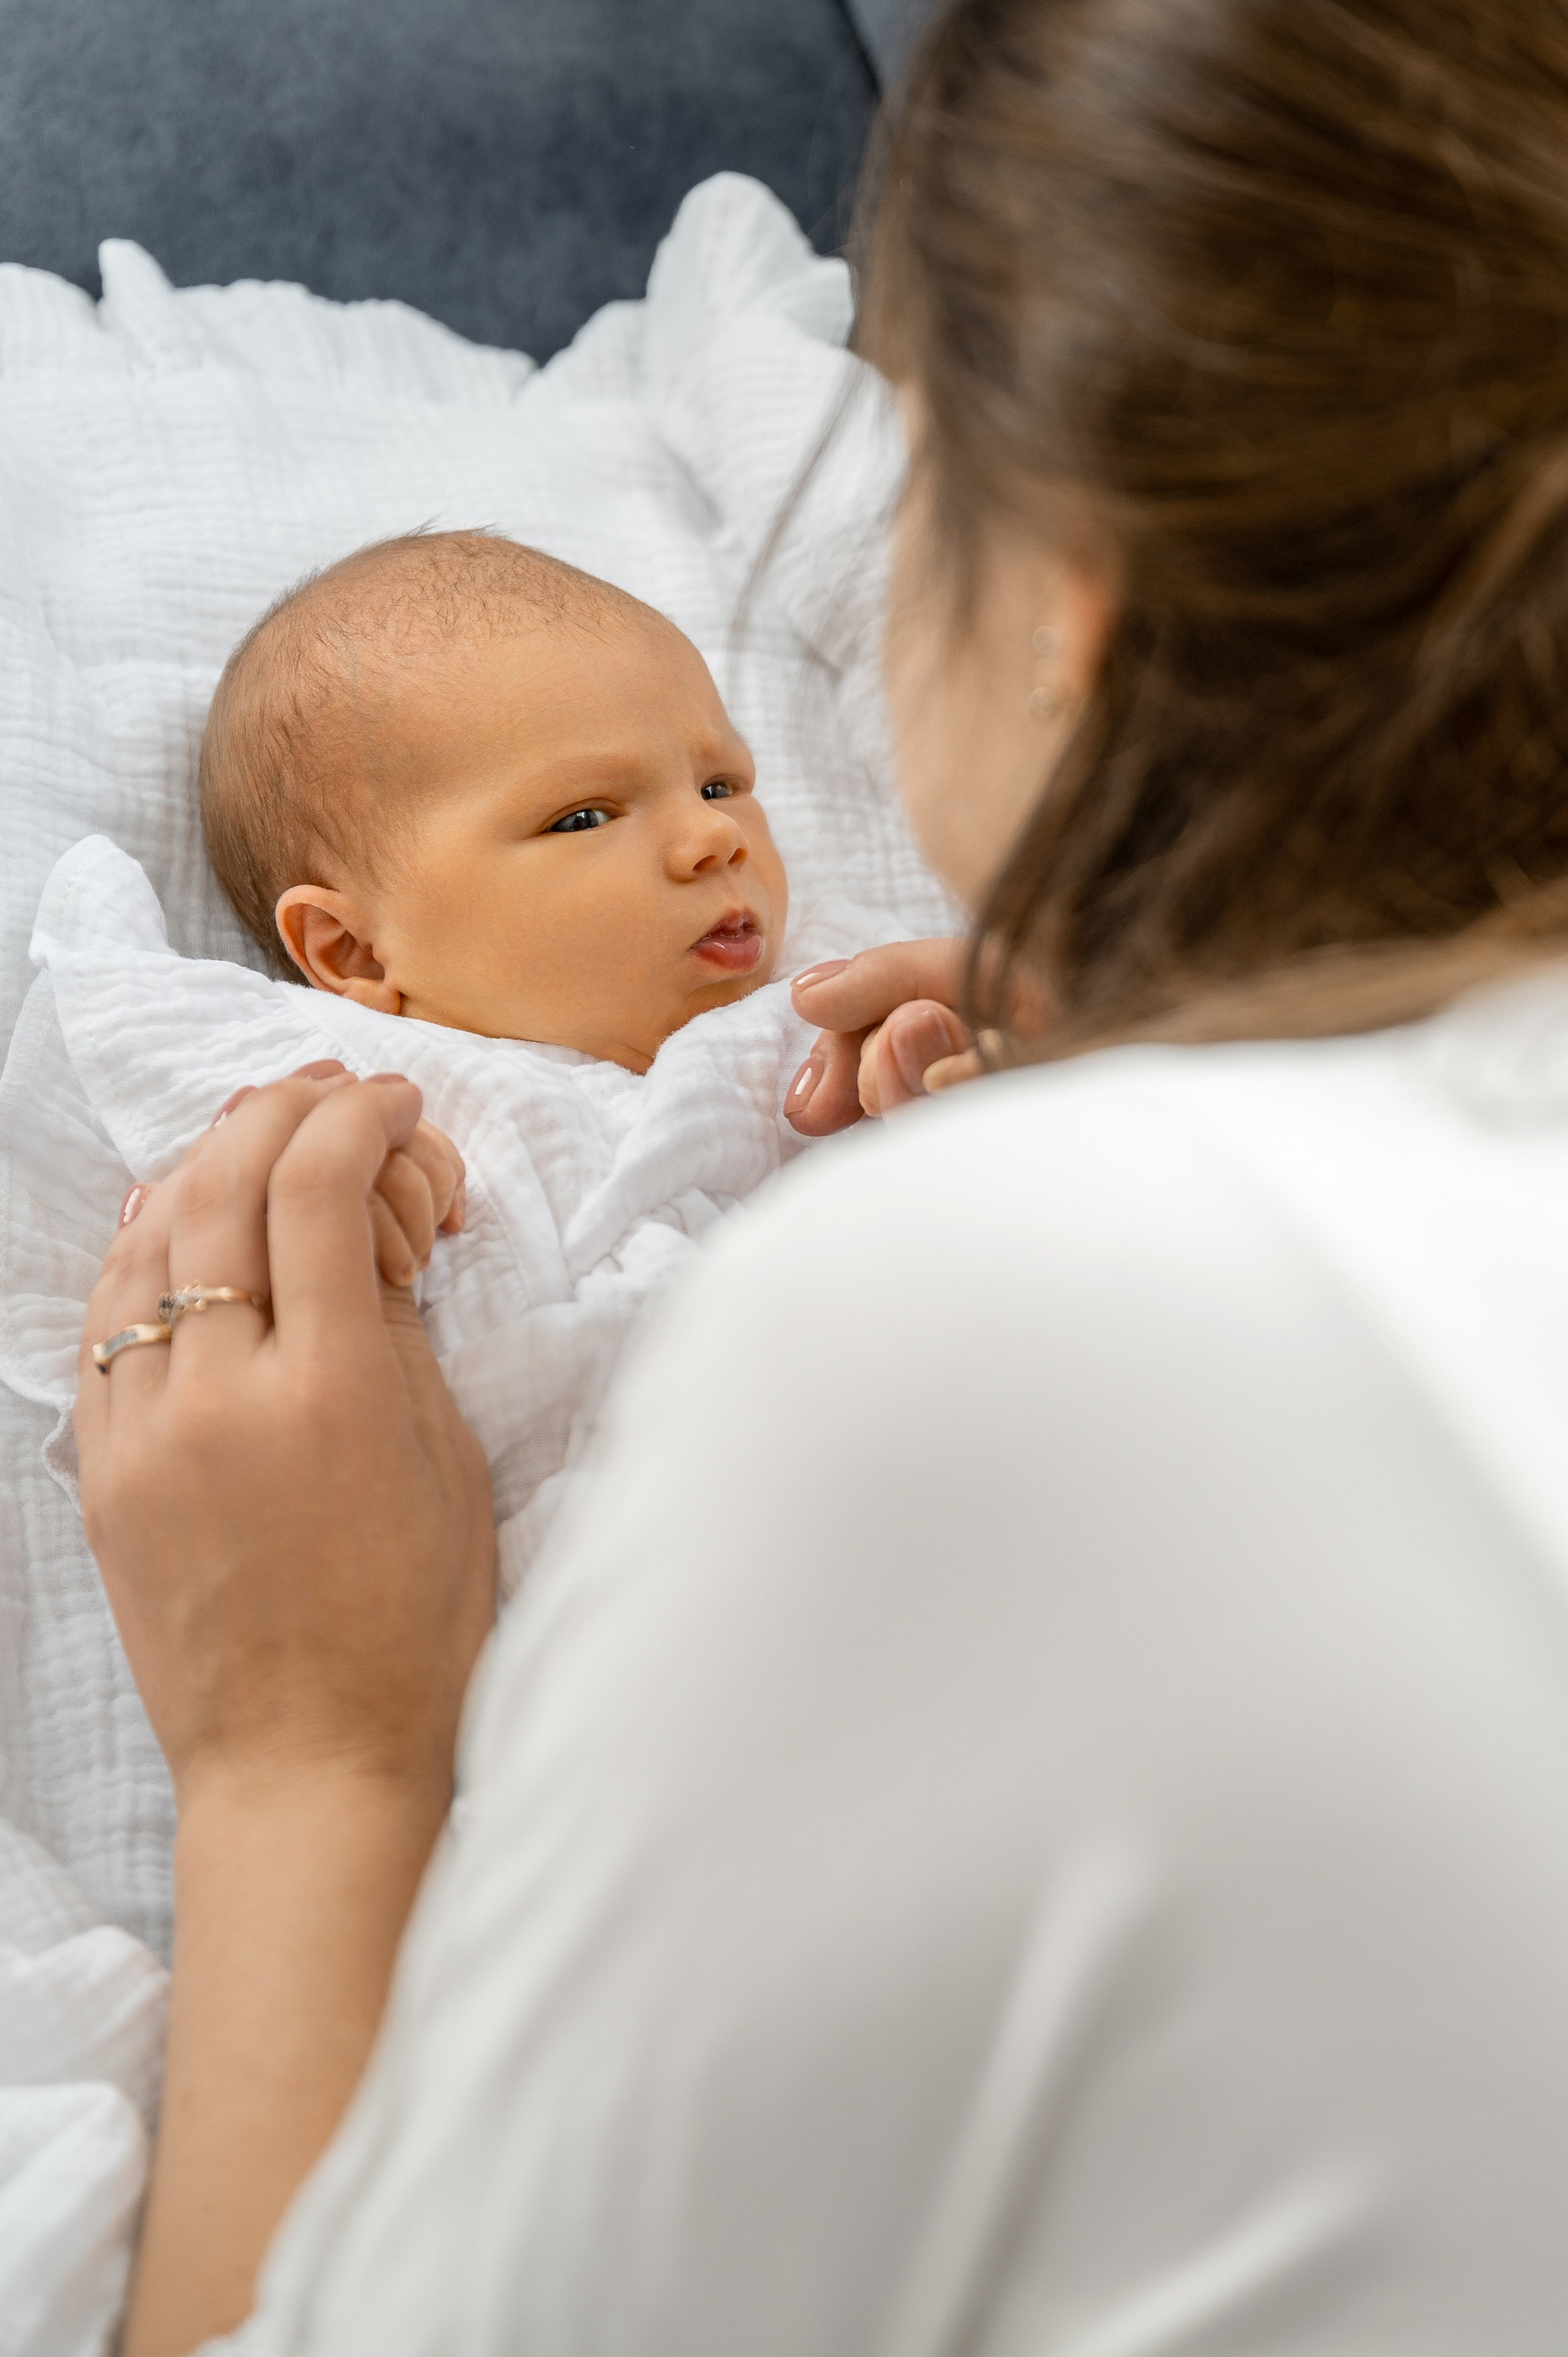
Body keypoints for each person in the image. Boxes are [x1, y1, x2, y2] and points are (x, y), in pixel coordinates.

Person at [77, 0, 1568, 2349]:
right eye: (583, 816)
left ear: (1058, 609)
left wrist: (301, 1751)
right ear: (345, 956)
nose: (706, 829)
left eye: (711, 772)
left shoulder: (930, 1316)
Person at [201, 529, 790, 1066]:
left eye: (718, 789)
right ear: (359, 953)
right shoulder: (387, 1116)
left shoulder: (840, 992)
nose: (717, 835)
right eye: (583, 819)